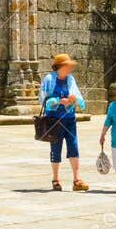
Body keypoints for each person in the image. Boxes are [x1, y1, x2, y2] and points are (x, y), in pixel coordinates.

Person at [40, 53, 89, 192]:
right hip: (54, 120)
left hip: (69, 119)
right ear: (60, 66)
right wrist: (59, 101)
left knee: (73, 146)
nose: (69, 69)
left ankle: (76, 180)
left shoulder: (70, 79)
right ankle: (55, 179)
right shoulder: (49, 79)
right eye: (67, 66)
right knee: (56, 148)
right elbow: (43, 98)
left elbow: (77, 94)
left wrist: (74, 99)